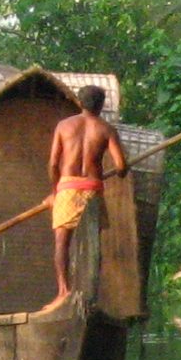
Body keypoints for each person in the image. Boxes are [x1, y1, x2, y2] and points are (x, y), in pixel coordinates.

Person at [47, 85, 129, 302]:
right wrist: (121, 171)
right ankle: (90, 294)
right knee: (92, 241)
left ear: (80, 103)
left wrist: (55, 191)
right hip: (92, 187)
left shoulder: (64, 126)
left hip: (67, 187)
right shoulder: (106, 129)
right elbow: (121, 166)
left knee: (62, 242)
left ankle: (64, 292)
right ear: (101, 106)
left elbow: (53, 163)